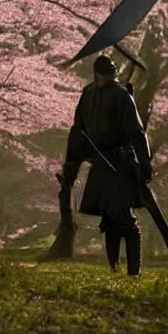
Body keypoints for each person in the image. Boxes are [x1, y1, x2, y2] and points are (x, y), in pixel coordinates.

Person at [58, 55, 152, 276]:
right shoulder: (90, 94)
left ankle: (132, 271)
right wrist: (71, 168)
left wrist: (144, 163)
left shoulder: (120, 95)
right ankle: (114, 268)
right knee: (110, 219)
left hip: (120, 164)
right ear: (99, 74)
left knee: (125, 219)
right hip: (102, 164)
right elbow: (78, 132)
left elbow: (136, 134)